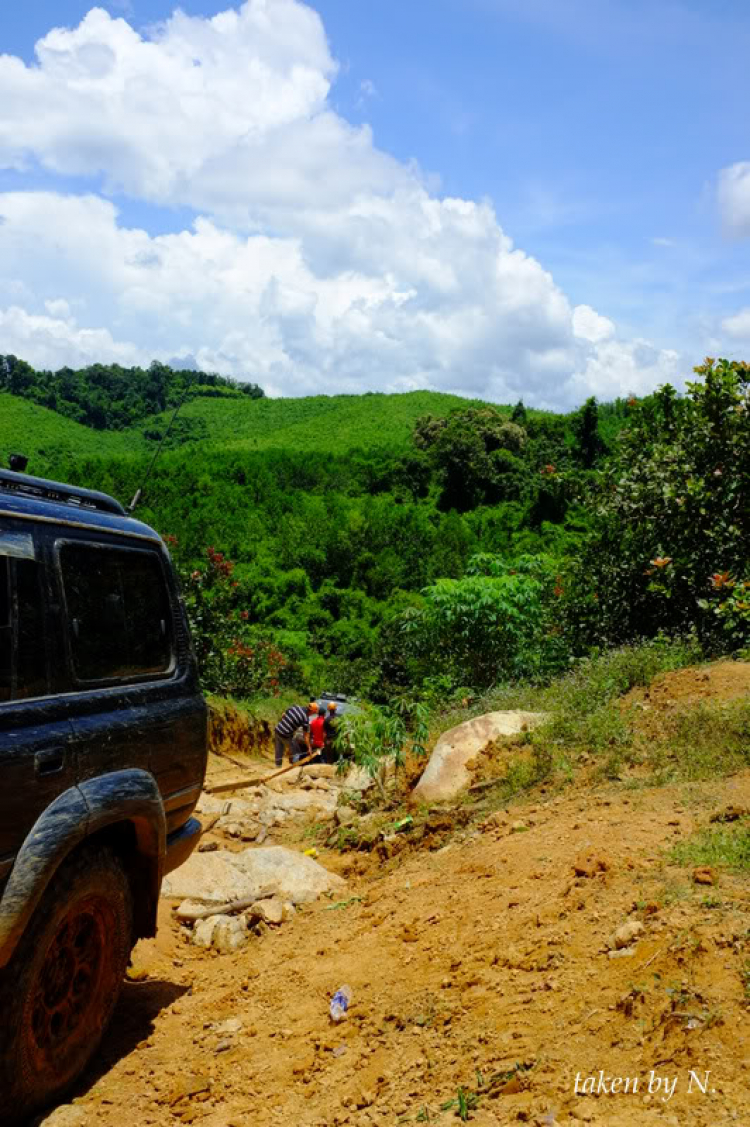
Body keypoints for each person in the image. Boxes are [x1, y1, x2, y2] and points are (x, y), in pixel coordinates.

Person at [274, 701, 317, 767]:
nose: (313, 714)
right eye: (314, 713)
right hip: (286, 734)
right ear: (311, 712)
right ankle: (295, 767)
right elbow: (306, 736)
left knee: (279, 749)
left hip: (278, 729)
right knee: (296, 752)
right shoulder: (305, 718)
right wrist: (309, 748)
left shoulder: (295, 707)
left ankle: (277, 766)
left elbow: (283, 715)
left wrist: (286, 724)